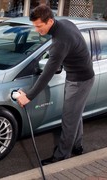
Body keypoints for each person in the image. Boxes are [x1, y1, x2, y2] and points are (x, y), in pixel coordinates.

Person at [16, 4, 95, 165]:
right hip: (80, 75)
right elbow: (75, 47)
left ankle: (61, 157)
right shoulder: (65, 23)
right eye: (35, 26)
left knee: (69, 118)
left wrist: (28, 97)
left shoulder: (59, 42)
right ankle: (77, 146)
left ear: (50, 21)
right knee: (75, 114)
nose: (37, 29)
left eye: (39, 26)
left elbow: (47, 73)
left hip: (80, 80)